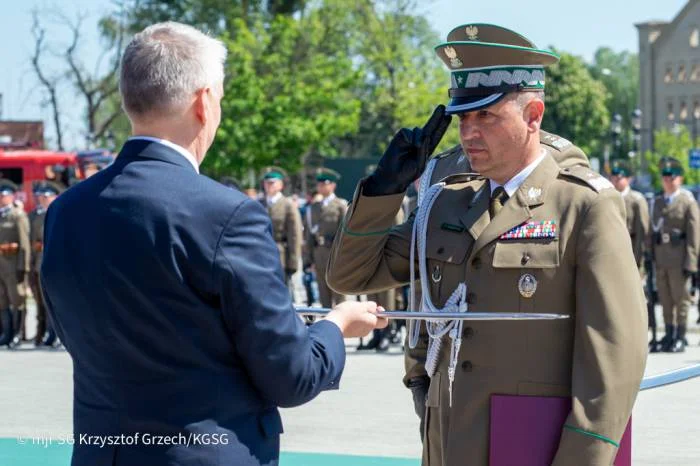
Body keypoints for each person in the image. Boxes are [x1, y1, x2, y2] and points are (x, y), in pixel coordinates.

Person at [40, 21, 386, 466]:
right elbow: (293, 375)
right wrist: (335, 327)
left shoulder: (67, 210)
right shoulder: (226, 214)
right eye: (219, 97)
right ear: (204, 102)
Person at [327, 24, 647, 465]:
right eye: (463, 118)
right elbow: (350, 275)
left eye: (487, 116)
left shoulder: (583, 205)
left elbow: (615, 356)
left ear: (533, 115)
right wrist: (383, 191)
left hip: (535, 443)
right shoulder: (447, 203)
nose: (468, 133)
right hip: (449, 437)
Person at [649, 157, 700, 353]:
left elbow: (694, 234)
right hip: (661, 259)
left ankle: (680, 335)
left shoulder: (687, 202)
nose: (668, 181)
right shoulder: (657, 201)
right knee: (665, 299)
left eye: (672, 177)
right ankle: (669, 334)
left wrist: (691, 262)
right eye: (665, 177)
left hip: (680, 260)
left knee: (682, 300)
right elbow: (652, 232)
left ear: (680, 179)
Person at [304, 168, 348, 308]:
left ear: (333, 185)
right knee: (323, 292)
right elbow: (309, 234)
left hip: (335, 253)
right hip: (319, 253)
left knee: (338, 291)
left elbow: (345, 233)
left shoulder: (340, 205)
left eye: (325, 183)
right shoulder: (314, 207)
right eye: (319, 184)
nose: (321, 186)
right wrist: (308, 258)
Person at [29, 182, 63, 347]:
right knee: (44, 303)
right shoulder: (37, 215)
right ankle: (50, 334)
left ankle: (59, 336)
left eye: (46, 196)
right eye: (41, 196)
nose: (41, 199)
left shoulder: (62, 212)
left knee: (58, 302)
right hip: (40, 264)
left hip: (57, 265)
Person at [260, 167, 303, 294]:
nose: (269, 186)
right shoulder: (259, 203)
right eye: (267, 183)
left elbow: (294, 235)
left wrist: (293, 261)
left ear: (281, 185)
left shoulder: (287, 205)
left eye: (272, 183)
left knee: (281, 292)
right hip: (261, 252)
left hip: (281, 254)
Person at [0, 180, 31, 349]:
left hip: (13, 266)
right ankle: (7, 333)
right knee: (2, 301)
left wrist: (23, 267)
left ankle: (18, 334)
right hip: (1, 267)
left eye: (4, 195)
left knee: (17, 300)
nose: (1, 198)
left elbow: (25, 244)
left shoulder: (17, 215)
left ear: (11, 196)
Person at [610, 160, 650, 275]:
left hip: (630, 253)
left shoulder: (636, 200)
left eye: (620, 177)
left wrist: (638, 259)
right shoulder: (608, 198)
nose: (616, 180)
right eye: (613, 177)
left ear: (629, 179)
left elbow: (642, 232)